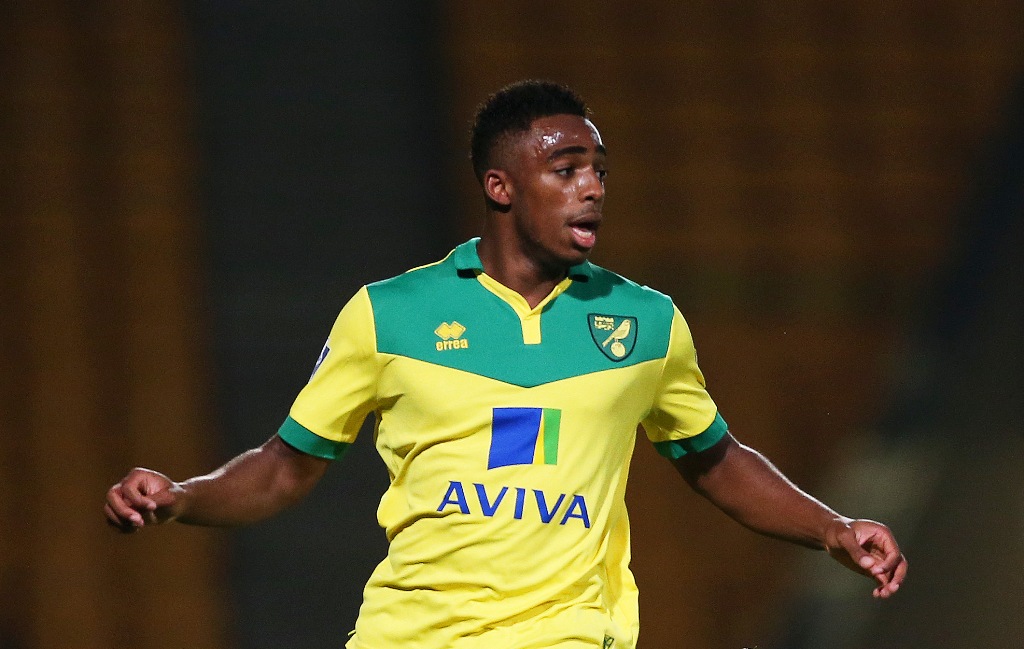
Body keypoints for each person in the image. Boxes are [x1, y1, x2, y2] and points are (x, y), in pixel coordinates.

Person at [105, 79, 907, 648]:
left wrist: (831, 528)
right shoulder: (389, 314)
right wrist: (182, 496)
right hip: (408, 635)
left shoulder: (645, 322)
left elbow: (716, 459)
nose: (593, 188)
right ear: (501, 187)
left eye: (599, 170)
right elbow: (284, 467)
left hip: (568, 633)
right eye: (567, 170)